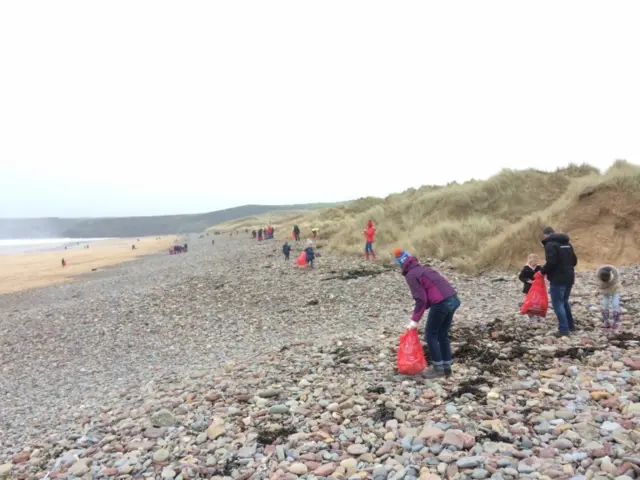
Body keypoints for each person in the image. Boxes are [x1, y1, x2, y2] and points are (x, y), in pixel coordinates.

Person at [395, 248, 460, 378]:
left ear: (402, 264)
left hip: (441, 303)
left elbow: (421, 299)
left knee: (431, 334)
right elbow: (429, 295)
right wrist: (419, 313)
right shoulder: (424, 269)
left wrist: (414, 321)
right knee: (442, 333)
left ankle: (438, 369)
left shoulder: (411, 275)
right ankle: (447, 367)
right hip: (453, 299)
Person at [540, 227, 578, 337]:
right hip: (570, 277)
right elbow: (574, 261)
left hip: (558, 278)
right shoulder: (567, 244)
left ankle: (563, 329)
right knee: (564, 301)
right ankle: (571, 326)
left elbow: (551, 262)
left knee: (558, 303)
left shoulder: (550, 245)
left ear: (546, 235)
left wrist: (542, 271)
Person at [519, 254, 543, 322]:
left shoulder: (539, 267)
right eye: (533, 261)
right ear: (529, 261)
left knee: (538, 302)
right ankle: (531, 316)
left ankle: (538, 315)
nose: (535, 263)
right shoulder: (525, 268)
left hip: (538, 288)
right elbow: (521, 277)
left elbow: (543, 275)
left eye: (536, 261)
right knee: (530, 302)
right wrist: (527, 280)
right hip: (528, 288)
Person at [597, 265, 621, 329]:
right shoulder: (598, 274)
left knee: (615, 305)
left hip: (615, 289)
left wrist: (607, 284)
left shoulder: (615, 274)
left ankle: (616, 322)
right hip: (605, 291)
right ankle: (606, 322)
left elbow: (615, 282)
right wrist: (604, 285)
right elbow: (600, 286)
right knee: (605, 304)